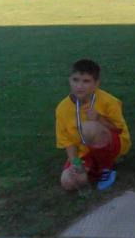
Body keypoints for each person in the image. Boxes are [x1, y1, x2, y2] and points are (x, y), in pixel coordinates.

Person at [55, 59, 130, 192]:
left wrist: (99, 119)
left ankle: (106, 168)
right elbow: (67, 141)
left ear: (96, 83)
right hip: (84, 151)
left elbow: (119, 130)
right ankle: (91, 169)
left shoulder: (109, 101)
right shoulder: (62, 108)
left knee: (90, 128)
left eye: (86, 81)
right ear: (69, 80)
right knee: (68, 182)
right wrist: (75, 163)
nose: (79, 86)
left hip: (112, 145)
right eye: (75, 80)